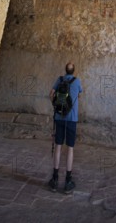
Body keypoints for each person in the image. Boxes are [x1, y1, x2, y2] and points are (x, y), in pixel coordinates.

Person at [48, 61, 82, 193]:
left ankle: (55, 179)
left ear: (65, 70)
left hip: (59, 118)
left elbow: (51, 94)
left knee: (58, 147)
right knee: (70, 149)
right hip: (71, 119)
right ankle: (68, 181)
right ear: (73, 71)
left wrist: (55, 106)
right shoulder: (77, 81)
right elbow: (79, 95)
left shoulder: (59, 79)